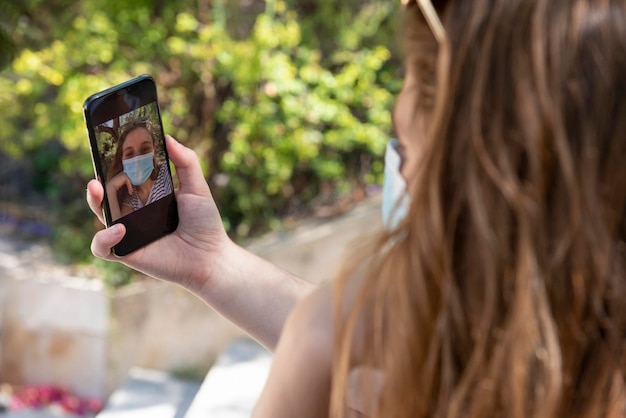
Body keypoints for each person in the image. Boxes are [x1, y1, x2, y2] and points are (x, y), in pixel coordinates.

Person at [87, 0, 626, 417]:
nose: (404, 170)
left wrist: (315, 353)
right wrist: (213, 265)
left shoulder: (333, 342)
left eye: (409, 149)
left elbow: (353, 337)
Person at [105, 118, 174, 221]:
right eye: (129, 153)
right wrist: (110, 188)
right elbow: (123, 234)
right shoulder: (129, 200)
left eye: (145, 149)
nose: (137, 159)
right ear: (122, 158)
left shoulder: (166, 173)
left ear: (154, 149)